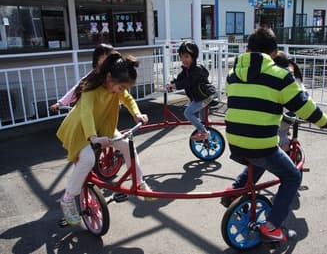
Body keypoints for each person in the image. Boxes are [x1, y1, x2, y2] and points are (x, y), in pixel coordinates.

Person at [222, 27, 327, 243]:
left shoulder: (232, 74)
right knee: (291, 176)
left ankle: (234, 189)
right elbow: (303, 106)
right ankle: (272, 227)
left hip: (234, 140)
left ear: (247, 50)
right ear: (274, 53)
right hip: (261, 143)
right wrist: (325, 122)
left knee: (259, 160)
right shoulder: (280, 76)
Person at [57, 53, 155, 226]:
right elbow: (86, 114)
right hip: (80, 129)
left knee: (127, 146)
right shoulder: (90, 89)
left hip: (103, 127)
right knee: (87, 159)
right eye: (121, 88)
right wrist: (93, 137)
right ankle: (68, 198)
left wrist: (137, 114)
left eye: (125, 88)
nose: (122, 92)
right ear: (109, 77)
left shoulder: (116, 87)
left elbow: (128, 99)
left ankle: (139, 183)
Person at [166, 41, 216, 141]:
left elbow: (188, 82)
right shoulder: (186, 70)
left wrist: (176, 85)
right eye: (181, 57)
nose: (183, 60)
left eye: (186, 57)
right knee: (203, 119)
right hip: (199, 96)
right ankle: (210, 134)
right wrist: (172, 83)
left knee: (188, 113)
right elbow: (180, 79)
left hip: (205, 96)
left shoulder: (197, 70)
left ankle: (204, 132)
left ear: (193, 57)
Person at [50, 43, 116, 111]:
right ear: (96, 60)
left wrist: (117, 101)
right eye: (103, 57)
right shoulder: (92, 76)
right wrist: (60, 103)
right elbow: (76, 89)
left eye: (109, 57)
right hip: (91, 109)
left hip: (106, 110)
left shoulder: (115, 74)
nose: (107, 61)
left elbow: (122, 90)